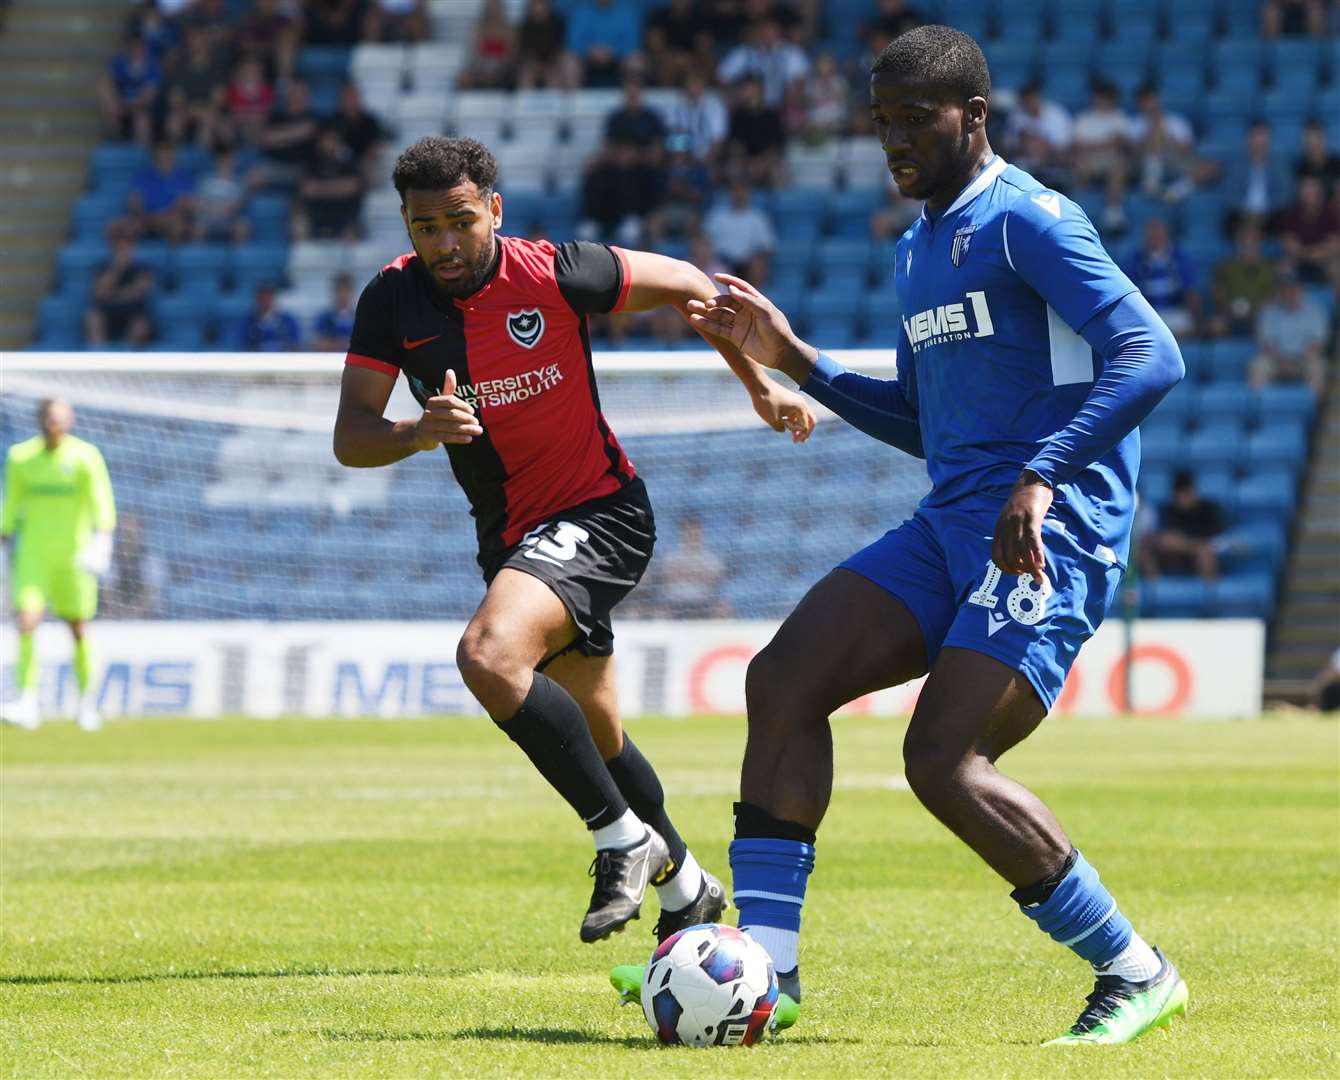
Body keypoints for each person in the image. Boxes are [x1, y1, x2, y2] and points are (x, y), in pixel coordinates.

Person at [655, 25, 1188, 1044]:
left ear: (972, 118)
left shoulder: (1029, 220)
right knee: (784, 678)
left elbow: (1148, 354)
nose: (894, 140)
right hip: (951, 520)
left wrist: (1039, 475)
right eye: (881, 121)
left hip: (1044, 530)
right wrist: (795, 359)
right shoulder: (914, 247)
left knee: (939, 760)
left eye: (916, 119)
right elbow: (922, 423)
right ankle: (772, 970)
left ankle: (1134, 970)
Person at [332, 136, 815, 945]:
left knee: (488, 654)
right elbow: (350, 436)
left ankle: (619, 838)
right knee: (598, 731)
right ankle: (690, 887)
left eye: (459, 222)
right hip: (514, 539)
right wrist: (417, 432)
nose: (444, 244)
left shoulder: (558, 271)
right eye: (425, 228)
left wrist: (759, 385)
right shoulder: (391, 301)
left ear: (494, 208)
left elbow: (695, 287)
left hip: (602, 513)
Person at [1, 400, 117, 732]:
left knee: (77, 627)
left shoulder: (85, 457)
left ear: (70, 421)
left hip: (74, 557)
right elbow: (11, 503)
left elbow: (101, 500)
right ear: (40, 420)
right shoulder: (20, 458)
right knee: (26, 621)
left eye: (60, 419)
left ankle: (87, 701)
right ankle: (26, 700)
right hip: (34, 555)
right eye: (49, 418)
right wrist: (3, 540)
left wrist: (103, 540)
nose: (54, 424)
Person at [1250, 269, 1328, 396]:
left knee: (1317, 367)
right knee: (1257, 366)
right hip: (1275, 359)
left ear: (1302, 290)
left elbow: (1317, 343)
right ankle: (1260, 409)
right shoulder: (1269, 312)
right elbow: (1266, 342)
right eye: (1286, 289)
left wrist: (1298, 360)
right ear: (1280, 292)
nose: (1290, 293)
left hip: (1304, 359)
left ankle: (1312, 411)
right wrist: (1282, 362)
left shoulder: (1315, 311)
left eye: (1294, 289)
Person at [1138, 469, 1226, 581]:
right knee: (1148, 552)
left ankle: (1211, 595)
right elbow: (1163, 538)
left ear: (1193, 492)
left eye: (1185, 493)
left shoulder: (1209, 510)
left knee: (1204, 553)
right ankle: (1156, 593)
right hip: (1174, 554)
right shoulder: (1169, 510)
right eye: (1179, 494)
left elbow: (1217, 539)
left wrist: (1188, 543)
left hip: (1202, 552)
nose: (1182, 498)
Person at [1122, 217, 1201, 337]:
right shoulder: (1136, 259)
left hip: (1174, 311)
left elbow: (1190, 290)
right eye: (1151, 235)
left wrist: (1193, 315)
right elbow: (1129, 292)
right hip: (1149, 312)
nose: (1155, 238)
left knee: (1184, 325)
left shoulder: (1178, 257)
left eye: (1158, 234)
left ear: (1165, 235)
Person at [1209, 220, 1278, 337]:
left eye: (1253, 240)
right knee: (1215, 326)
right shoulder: (1227, 266)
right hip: (1229, 313)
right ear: (1239, 242)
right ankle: (1225, 353)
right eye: (1245, 239)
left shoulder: (1268, 268)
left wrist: (1255, 309)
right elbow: (1216, 291)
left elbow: (1273, 296)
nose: (1249, 243)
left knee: (1271, 326)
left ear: (1259, 242)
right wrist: (1229, 307)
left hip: (1258, 315)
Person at [84, 235, 155, 346]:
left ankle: (129, 354)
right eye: (119, 249)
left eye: (126, 249)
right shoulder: (102, 268)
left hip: (133, 309)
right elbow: (99, 293)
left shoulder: (142, 269)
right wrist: (117, 268)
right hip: (107, 308)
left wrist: (113, 294)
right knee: (93, 317)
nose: (123, 253)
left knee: (141, 324)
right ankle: (99, 353)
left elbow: (139, 292)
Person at [1280, 175, 1340, 284]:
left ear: (1319, 193)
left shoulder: (1330, 213)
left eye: (1312, 190)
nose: (1309, 194)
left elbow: (1334, 245)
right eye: (1306, 190)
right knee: (1283, 268)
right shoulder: (1292, 213)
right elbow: (1289, 244)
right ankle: (1287, 300)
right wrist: (1308, 254)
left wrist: (1314, 253)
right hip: (1298, 258)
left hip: (1324, 258)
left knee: (1337, 268)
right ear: (1300, 193)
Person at [240, 281, 301, 351]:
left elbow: (296, 345)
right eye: (262, 297)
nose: (265, 300)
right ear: (256, 299)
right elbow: (242, 346)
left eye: (269, 296)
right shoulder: (247, 321)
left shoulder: (288, 320)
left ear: (274, 298)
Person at [310, 273, 357, 351]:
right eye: (339, 291)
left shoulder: (360, 318)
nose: (343, 295)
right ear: (333, 293)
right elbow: (317, 343)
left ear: (352, 293)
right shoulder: (324, 318)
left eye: (346, 291)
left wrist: (332, 343)